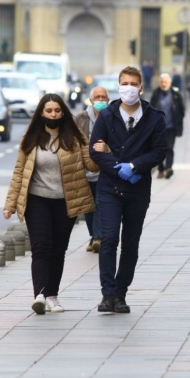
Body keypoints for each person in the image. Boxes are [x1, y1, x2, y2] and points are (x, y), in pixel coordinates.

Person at [4, 94, 99, 315]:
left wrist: (103, 150)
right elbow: (19, 172)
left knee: (58, 250)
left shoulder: (76, 138)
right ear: (41, 113)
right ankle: (39, 295)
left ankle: (52, 296)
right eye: (49, 111)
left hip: (66, 202)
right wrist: (10, 204)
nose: (53, 115)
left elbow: (92, 166)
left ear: (63, 112)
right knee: (41, 247)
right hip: (37, 200)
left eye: (57, 111)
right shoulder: (30, 138)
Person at [89, 66, 168, 314]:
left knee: (130, 243)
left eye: (134, 84)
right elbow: (95, 150)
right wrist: (117, 166)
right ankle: (107, 293)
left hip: (138, 189)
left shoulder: (154, 117)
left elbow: (159, 151)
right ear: (119, 85)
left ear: (141, 87)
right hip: (110, 187)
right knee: (109, 238)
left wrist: (134, 166)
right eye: (125, 83)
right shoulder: (108, 115)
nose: (129, 88)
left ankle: (121, 294)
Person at [75, 86, 110, 253]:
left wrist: (108, 148)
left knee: (100, 203)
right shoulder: (81, 118)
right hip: (85, 170)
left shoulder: (113, 117)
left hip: (104, 170)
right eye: (98, 97)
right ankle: (94, 236)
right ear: (91, 100)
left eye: (104, 97)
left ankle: (98, 237)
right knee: (88, 207)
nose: (101, 100)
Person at [150, 73, 185, 179]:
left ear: (170, 82)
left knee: (169, 147)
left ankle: (168, 168)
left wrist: (179, 123)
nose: (164, 84)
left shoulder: (176, 94)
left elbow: (181, 110)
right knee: (160, 149)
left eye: (165, 82)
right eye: (162, 82)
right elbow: (151, 109)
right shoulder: (156, 93)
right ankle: (161, 169)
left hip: (171, 127)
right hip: (158, 127)